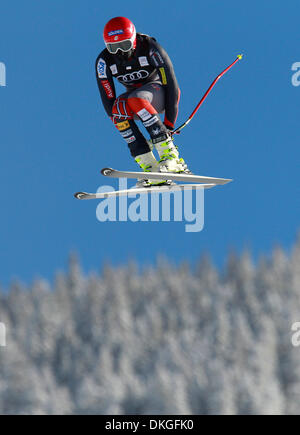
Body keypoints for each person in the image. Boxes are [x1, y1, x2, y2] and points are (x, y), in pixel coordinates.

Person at [95, 17, 190, 186]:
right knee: (119, 108)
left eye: (124, 45)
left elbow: (172, 85)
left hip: (158, 93)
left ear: (133, 40)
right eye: (113, 48)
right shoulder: (104, 61)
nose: (120, 53)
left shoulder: (150, 48)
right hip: (135, 101)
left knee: (135, 99)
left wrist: (168, 123)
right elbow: (107, 99)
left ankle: (171, 157)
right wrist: (121, 123)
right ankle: (149, 164)